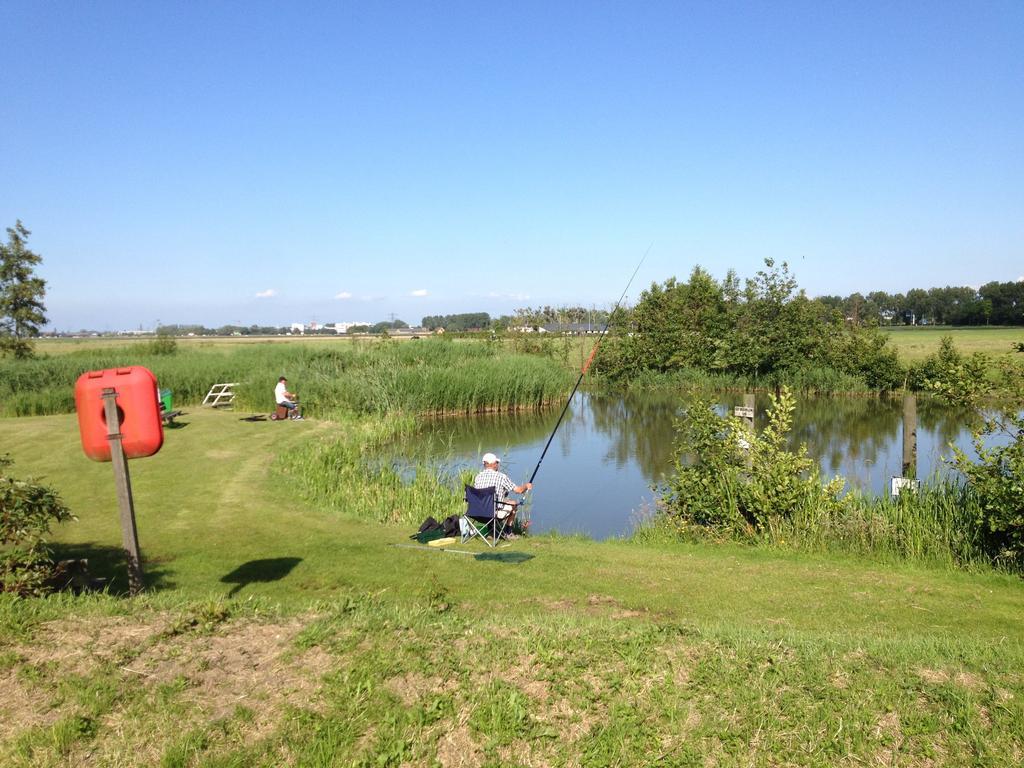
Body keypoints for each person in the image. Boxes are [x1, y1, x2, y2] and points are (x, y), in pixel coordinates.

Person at [473, 452, 532, 533]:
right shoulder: (501, 477)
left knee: (503, 502)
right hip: (493, 514)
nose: (498, 464)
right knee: (513, 504)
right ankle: (508, 532)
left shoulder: (478, 477)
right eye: (497, 462)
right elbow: (519, 490)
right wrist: (526, 486)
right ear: (493, 464)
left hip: (476, 513)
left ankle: (491, 531)